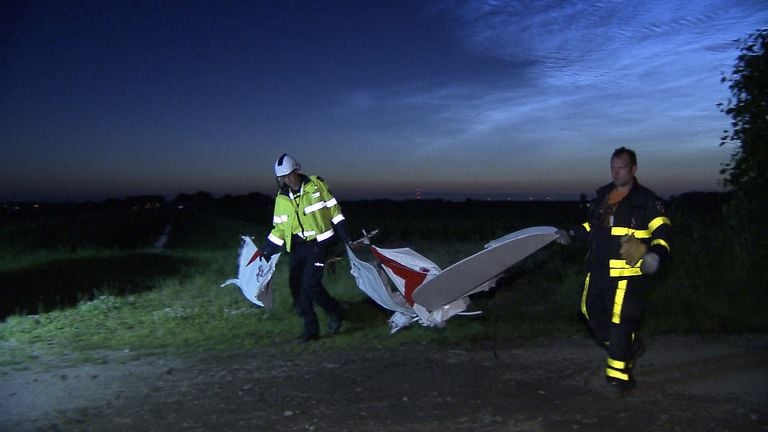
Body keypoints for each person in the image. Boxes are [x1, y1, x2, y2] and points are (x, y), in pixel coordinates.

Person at [556, 147, 671, 392]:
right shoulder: (603, 196)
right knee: (589, 313)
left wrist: (654, 255)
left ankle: (618, 375)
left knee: (620, 320)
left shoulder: (648, 200)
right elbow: (592, 226)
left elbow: (663, 233)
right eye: (613, 167)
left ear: (633, 169)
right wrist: (572, 234)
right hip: (596, 270)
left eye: (621, 167)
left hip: (627, 275)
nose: (616, 172)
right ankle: (627, 345)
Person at [256, 153, 353, 342]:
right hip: (298, 247)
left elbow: (334, 211)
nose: (287, 180)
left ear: (297, 170)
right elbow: (279, 230)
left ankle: (335, 311)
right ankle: (311, 330)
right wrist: (265, 252)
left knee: (310, 284)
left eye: (289, 175)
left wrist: (346, 237)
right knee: (297, 286)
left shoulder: (316, 185)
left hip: (320, 243)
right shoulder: (281, 199)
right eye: (282, 178)